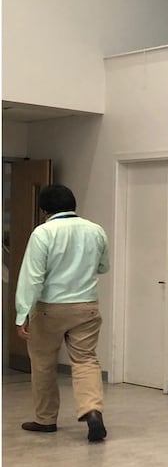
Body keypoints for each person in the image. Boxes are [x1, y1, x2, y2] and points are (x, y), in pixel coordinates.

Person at [15, 184, 109, 442]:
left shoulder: (42, 233)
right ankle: (92, 412)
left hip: (49, 309)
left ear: (43, 208)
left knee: (43, 363)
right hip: (87, 307)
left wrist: (22, 312)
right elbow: (103, 266)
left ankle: (45, 420)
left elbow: (32, 277)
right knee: (86, 361)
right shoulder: (95, 230)